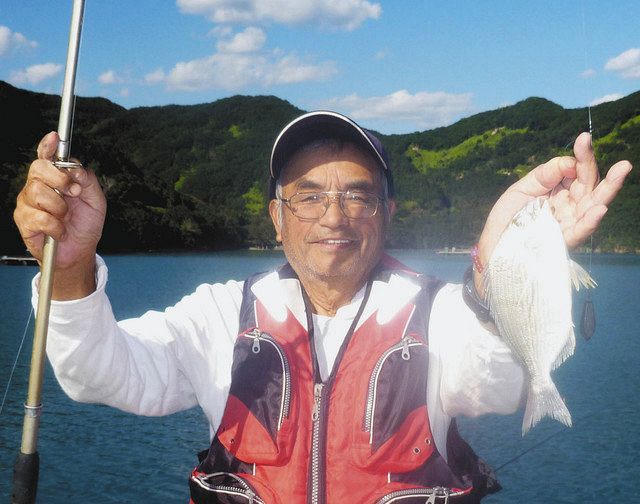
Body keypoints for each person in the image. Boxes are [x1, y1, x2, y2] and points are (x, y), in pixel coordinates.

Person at [13, 111, 631, 503]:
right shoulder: (219, 314)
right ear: (276, 218)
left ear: (387, 215)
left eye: (357, 195)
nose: (333, 215)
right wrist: (68, 267)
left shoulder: (440, 313)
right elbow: (100, 374)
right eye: (307, 197)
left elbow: (498, 384)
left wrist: (501, 274)